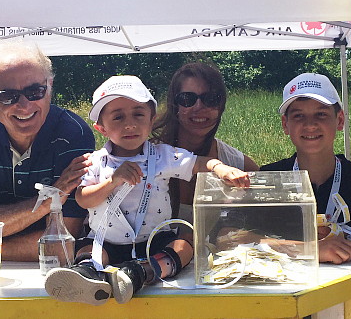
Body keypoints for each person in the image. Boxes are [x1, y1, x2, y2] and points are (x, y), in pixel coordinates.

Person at [44, 75, 250, 305]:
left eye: (138, 114)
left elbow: (198, 163)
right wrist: (113, 181)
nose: (130, 124)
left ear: (151, 120)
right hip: (106, 240)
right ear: (101, 127)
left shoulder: (163, 155)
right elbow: (83, 200)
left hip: (154, 239)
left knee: (183, 244)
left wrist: (221, 168)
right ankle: (87, 276)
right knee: (87, 248)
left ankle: (139, 274)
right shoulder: (94, 162)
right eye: (118, 117)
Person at [0, 41, 94, 261]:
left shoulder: (73, 133)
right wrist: (46, 201)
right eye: (7, 96)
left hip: (47, 271)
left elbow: (63, 240)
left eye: (35, 91)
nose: (24, 105)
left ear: (49, 88)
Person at [260, 72, 351, 263]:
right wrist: (310, 250)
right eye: (298, 116)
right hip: (286, 291)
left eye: (321, 114)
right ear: (285, 124)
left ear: (340, 120)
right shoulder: (267, 179)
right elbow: (235, 239)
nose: (310, 125)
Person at [152, 62, 259, 222]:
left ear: (221, 105)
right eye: (188, 99)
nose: (199, 107)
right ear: (175, 105)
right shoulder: (149, 157)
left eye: (210, 99)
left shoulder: (238, 164)